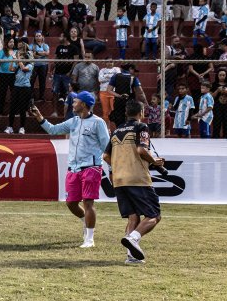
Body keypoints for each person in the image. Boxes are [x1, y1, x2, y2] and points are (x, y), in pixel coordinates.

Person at [31, 92, 110, 248]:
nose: (72, 104)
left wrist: (111, 165)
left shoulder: (98, 123)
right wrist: (39, 117)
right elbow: (53, 130)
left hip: (91, 167)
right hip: (73, 168)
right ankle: (85, 222)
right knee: (71, 203)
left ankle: (89, 238)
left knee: (88, 202)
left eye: (75, 102)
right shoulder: (73, 121)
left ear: (85, 104)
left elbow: (106, 146)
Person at [102, 100, 164, 264]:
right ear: (141, 112)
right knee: (154, 215)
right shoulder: (141, 127)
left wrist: (117, 167)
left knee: (133, 217)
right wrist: (155, 161)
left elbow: (106, 156)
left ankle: (131, 256)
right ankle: (133, 238)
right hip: (137, 178)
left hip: (119, 179)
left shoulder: (116, 132)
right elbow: (141, 150)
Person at [50, 35, 78, 117]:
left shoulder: (74, 48)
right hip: (57, 74)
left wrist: (70, 72)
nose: (59, 38)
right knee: (55, 92)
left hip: (67, 74)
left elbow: (75, 61)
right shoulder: (59, 47)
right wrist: (51, 70)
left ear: (66, 37)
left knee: (69, 93)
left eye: (61, 36)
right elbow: (55, 59)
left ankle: (70, 112)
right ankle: (55, 112)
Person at [7, 48, 33, 134]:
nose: (20, 60)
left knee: (22, 108)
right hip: (16, 87)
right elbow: (10, 69)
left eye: (22, 58)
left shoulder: (29, 66)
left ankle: (22, 127)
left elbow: (24, 69)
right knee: (12, 108)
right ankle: (10, 127)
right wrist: (12, 60)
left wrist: (18, 59)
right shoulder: (18, 66)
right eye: (20, 58)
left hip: (25, 88)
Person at [211, 69, 227, 139]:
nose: (222, 76)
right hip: (217, 107)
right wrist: (217, 90)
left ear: (226, 75)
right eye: (220, 75)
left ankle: (226, 138)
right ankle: (215, 138)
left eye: (223, 75)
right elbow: (210, 97)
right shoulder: (214, 84)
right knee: (216, 123)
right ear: (217, 76)